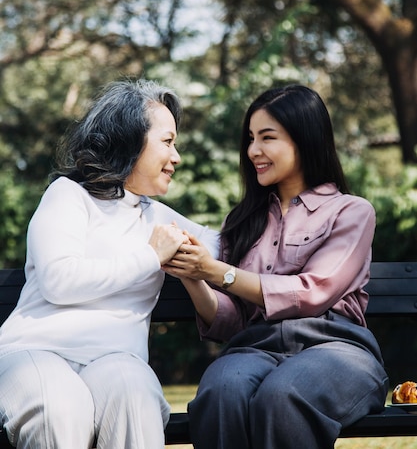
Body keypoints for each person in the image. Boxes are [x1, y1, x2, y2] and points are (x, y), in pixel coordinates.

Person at [164, 84, 389, 449]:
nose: (253, 150)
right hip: (254, 348)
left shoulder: (351, 211)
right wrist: (194, 276)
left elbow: (314, 291)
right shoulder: (243, 220)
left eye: (267, 137)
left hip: (335, 348)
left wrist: (218, 271)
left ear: (305, 140)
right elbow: (232, 321)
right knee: (222, 391)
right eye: (251, 138)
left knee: (283, 395)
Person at [0, 79, 219, 449]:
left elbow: (235, 244)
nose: (177, 156)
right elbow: (59, 280)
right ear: (130, 141)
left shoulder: (159, 218)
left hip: (116, 360)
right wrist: (151, 256)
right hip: (37, 351)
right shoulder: (68, 195)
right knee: (61, 408)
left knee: (136, 397)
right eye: (167, 142)